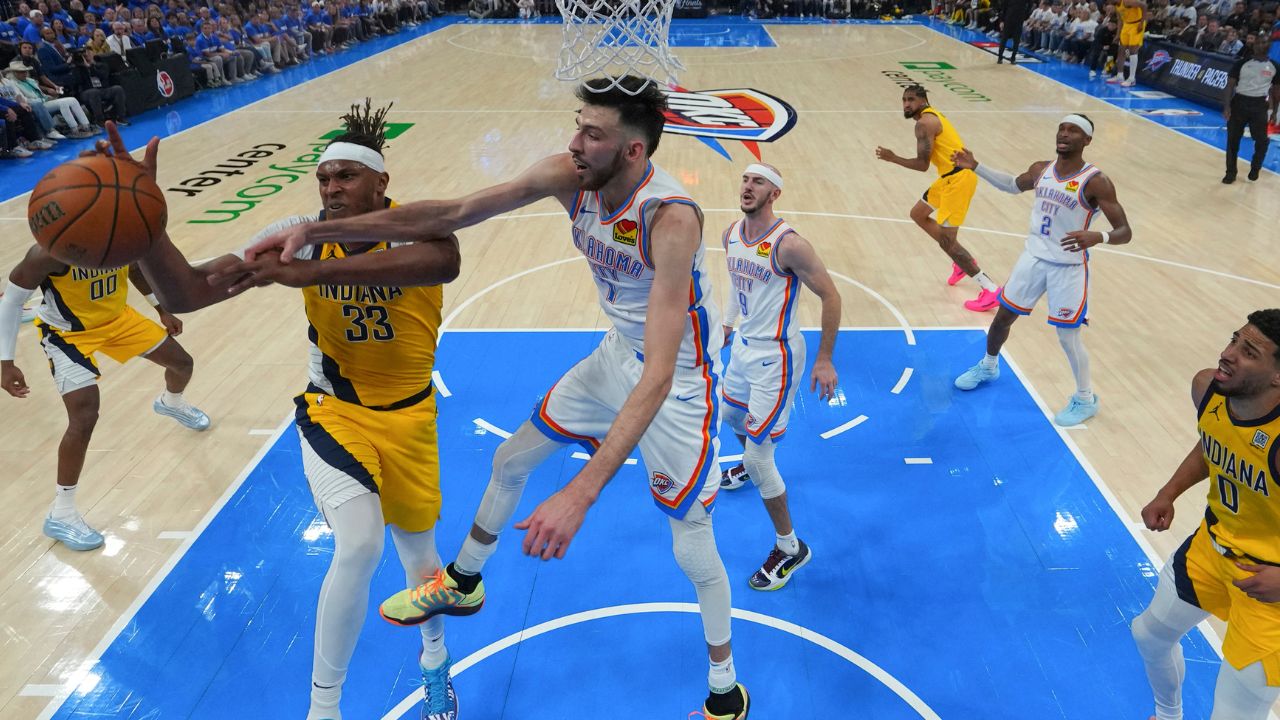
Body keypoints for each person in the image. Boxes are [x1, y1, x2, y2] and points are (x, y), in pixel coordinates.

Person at [238, 74, 752, 720]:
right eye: (577, 124)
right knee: (511, 460)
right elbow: (453, 213)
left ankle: (724, 687)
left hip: (675, 382)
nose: (575, 142)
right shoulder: (570, 173)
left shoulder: (670, 218)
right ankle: (463, 580)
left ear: (633, 153)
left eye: (592, 134)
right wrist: (312, 235)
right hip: (618, 356)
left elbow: (655, 380)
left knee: (692, 538)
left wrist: (579, 492)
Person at [113, 101, 464, 719]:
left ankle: (434, 659)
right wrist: (144, 225)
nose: (330, 188)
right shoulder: (297, 230)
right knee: (358, 546)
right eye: (323, 177)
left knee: (422, 560)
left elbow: (445, 260)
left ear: (380, 181)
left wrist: (313, 275)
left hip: (411, 417)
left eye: (345, 176)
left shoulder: (413, 225)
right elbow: (187, 293)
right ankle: (322, 708)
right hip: (335, 412)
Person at [0, 227, 210, 552]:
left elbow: (135, 267)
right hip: (68, 334)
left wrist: (160, 308)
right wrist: (6, 361)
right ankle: (62, 513)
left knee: (183, 364)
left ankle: (171, 402)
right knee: (84, 416)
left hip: (118, 320)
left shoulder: (120, 233)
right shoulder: (47, 254)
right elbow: (12, 302)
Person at [1130, 309, 1280, 720]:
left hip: (1272, 587)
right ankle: (1167, 715)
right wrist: (1169, 491)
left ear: (1277, 377)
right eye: (1234, 340)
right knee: (1149, 634)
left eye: (1248, 351)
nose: (1228, 354)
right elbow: (1212, 441)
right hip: (1212, 549)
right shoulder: (1209, 389)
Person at [950, 114, 1132, 426]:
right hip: (1032, 258)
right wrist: (976, 166)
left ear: (1087, 140)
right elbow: (1011, 185)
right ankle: (989, 365)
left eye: (1073, 130)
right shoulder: (1041, 169)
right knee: (1003, 317)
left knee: (1068, 337)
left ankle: (1085, 399)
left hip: (1068, 267)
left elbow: (1124, 231)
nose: (1064, 133)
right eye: (1062, 128)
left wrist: (1098, 236)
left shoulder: (1096, 181)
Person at [716, 162, 840, 592]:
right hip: (745, 351)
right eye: (746, 179)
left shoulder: (790, 246)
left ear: (775, 194)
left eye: (759, 182)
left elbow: (831, 295)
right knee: (731, 416)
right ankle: (751, 466)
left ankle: (790, 548)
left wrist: (825, 359)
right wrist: (729, 323)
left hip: (778, 357)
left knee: (758, 456)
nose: (749, 186)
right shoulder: (731, 233)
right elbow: (735, 282)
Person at [875, 84, 1002, 312]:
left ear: (923, 101)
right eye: (903, 99)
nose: (906, 104)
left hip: (959, 180)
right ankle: (960, 263)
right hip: (947, 178)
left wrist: (893, 158)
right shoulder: (929, 117)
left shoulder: (925, 123)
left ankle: (990, 288)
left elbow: (922, 165)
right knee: (918, 214)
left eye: (911, 99)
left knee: (947, 241)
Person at [1221, 36, 1277, 184]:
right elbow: (1230, 86)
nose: (1260, 44)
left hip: (1259, 105)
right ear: (1253, 45)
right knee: (1233, 140)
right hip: (1239, 102)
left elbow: (1276, 92)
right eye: (1258, 42)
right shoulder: (1241, 63)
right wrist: (1227, 106)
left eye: (1264, 41)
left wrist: (1275, 112)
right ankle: (1230, 172)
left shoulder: (1274, 66)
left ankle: (1255, 168)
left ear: (1269, 45)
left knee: (1262, 140)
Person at [1108, 0, 1146, 87]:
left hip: (1137, 24)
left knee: (1132, 51)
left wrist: (1141, 22)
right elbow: (1120, 21)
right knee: (1121, 50)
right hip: (1126, 25)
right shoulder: (1117, 6)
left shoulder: (1127, 1)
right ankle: (1120, 76)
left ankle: (1132, 79)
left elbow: (1143, 5)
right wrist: (1118, 34)